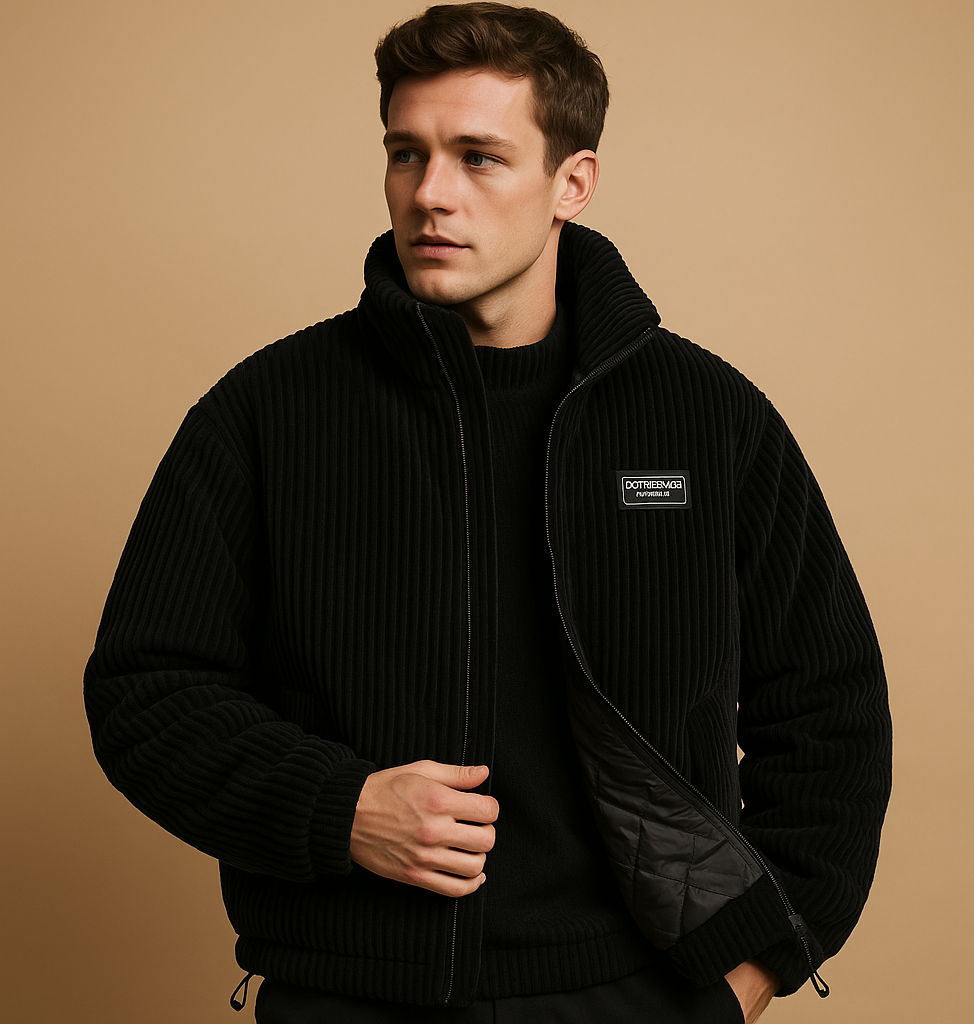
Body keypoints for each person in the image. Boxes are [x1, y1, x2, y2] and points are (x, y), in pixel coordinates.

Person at [84, 4, 891, 1022]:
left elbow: (830, 706)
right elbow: (145, 692)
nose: (430, 193)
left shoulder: (707, 416)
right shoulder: (266, 411)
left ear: (572, 183)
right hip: (352, 996)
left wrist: (755, 970)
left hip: (636, 995)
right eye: (405, 154)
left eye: (478, 157)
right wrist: (339, 807)